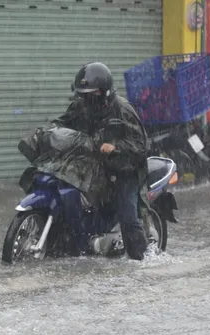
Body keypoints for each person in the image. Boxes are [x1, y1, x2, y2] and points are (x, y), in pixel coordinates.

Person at [51, 62, 149, 260]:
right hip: (94, 165)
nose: (87, 99)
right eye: (83, 94)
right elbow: (63, 122)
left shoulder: (122, 109)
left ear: (104, 92)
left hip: (123, 170)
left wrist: (116, 148)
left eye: (91, 94)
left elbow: (140, 145)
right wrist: (52, 131)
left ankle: (140, 259)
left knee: (128, 217)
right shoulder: (81, 107)